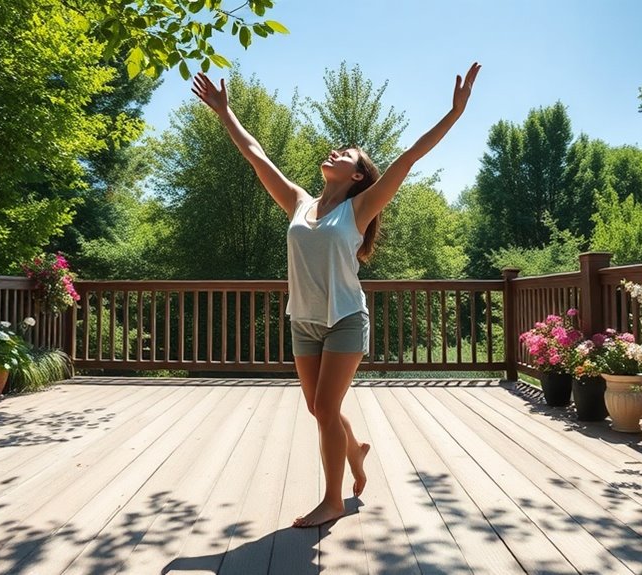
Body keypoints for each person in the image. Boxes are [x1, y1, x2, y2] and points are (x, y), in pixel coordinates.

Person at [192, 62, 481, 527]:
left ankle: (332, 501)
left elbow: (409, 157)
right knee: (318, 408)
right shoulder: (299, 202)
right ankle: (356, 449)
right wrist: (225, 113)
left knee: (325, 408)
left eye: (345, 153)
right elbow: (256, 154)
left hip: (345, 319)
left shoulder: (360, 208)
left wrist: (455, 113)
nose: (334, 151)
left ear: (359, 175)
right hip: (304, 321)